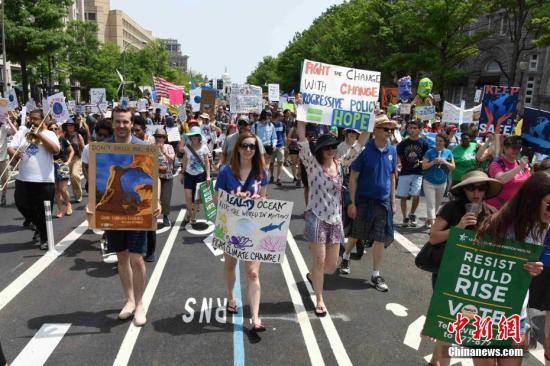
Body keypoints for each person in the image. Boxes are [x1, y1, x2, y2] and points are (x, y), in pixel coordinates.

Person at [85, 106, 161, 327]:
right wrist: (91, 205)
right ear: (113, 122)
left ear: (131, 123)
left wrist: (155, 200)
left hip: (138, 212)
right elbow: (94, 179)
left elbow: (152, 176)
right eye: (117, 121)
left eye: (125, 122)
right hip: (114, 212)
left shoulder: (144, 147)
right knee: (121, 257)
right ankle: (129, 300)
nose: (121, 125)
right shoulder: (101, 148)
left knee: (137, 258)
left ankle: (139, 304)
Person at [424, 170, 503, 366]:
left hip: (474, 278)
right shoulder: (451, 208)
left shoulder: (491, 212)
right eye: (471, 188)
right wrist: (458, 228)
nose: (476, 193)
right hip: (448, 272)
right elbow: (433, 237)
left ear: (486, 191)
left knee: (457, 324)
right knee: (448, 323)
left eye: (481, 188)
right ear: (464, 190)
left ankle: (435, 361)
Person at [474, 171, 548, 366]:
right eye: (549, 205)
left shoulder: (542, 226)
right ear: (533, 199)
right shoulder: (497, 224)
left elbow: (527, 269)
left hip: (516, 312)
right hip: (485, 311)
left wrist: (534, 270)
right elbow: (473, 262)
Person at [297, 121, 368, 316]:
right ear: (319, 150)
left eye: (333, 147)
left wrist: (370, 120)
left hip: (335, 219)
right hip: (316, 217)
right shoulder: (312, 165)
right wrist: (301, 115)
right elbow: (302, 140)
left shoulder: (341, 164)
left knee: (331, 265)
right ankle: (319, 298)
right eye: (326, 147)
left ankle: (313, 276)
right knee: (319, 261)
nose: (330, 150)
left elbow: (359, 145)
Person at [214, 132, 268, 332]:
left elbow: (264, 199)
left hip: (254, 228)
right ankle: (231, 297)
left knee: (253, 272)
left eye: (252, 146)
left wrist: (259, 201)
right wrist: (235, 198)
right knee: (230, 264)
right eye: (244, 146)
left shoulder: (262, 172)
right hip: (232, 227)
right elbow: (216, 200)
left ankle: (255, 317)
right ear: (237, 148)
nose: (248, 150)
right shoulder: (226, 172)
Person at [340, 113, 397, 291]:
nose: (389, 132)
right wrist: (352, 203)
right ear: (375, 130)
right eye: (385, 129)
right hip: (363, 200)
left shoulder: (392, 151)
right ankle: (346, 255)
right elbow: (353, 178)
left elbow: (392, 176)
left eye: (391, 129)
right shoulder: (364, 151)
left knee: (380, 238)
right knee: (357, 234)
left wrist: (393, 201)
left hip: (382, 202)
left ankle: (375, 274)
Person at [7, 109, 60, 250]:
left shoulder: (50, 134)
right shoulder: (23, 132)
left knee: (44, 212)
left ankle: (45, 238)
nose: (32, 121)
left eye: (36, 119)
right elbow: (10, 148)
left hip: (44, 181)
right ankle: (35, 224)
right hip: (23, 178)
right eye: (31, 119)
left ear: (44, 120)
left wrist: (40, 136)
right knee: (20, 203)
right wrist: (14, 152)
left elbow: (55, 150)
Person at [396, 120, 429, 227]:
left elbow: (427, 158)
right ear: (407, 129)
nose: (412, 130)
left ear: (419, 129)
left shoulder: (424, 143)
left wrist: (421, 162)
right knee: (403, 196)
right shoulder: (402, 144)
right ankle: (405, 217)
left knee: (416, 194)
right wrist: (399, 164)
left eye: (415, 128)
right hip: (404, 172)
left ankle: (412, 214)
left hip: (418, 173)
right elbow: (398, 157)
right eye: (410, 127)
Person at [486, 135, 531, 210]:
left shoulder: (521, 164)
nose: (516, 151)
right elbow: (500, 179)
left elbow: (529, 182)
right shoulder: (496, 164)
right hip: (497, 207)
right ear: (504, 148)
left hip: (515, 205)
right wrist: (519, 167)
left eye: (518, 148)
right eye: (513, 148)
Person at [422, 133, 455, 228]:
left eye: (440, 141)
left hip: (442, 183)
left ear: (444, 142)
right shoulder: (429, 152)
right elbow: (424, 166)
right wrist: (433, 162)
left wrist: (444, 162)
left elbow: (453, 167)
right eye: (437, 141)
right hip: (429, 182)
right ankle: (433, 226)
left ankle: (429, 219)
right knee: (431, 203)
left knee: (437, 204)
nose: (438, 143)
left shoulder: (448, 152)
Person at [181, 126, 210, 225]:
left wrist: (208, 176)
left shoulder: (204, 147)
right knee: (188, 197)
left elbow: (207, 162)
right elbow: (185, 160)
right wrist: (182, 173)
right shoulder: (187, 147)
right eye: (192, 136)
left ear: (199, 137)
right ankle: (189, 212)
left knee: (197, 198)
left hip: (200, 175)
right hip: (188, 174)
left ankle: (193, 215)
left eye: (196, 135)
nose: (194, 137)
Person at [49, 121, 74, 218]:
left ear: (58, 129)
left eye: (55, 128)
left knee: (63, 189)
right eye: (51, 129)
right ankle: (60, 209)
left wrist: (68, 161)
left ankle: (68, 204)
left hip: (62, 164)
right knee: (56, 189)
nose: (53, 130)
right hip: (51, 165)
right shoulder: (46, 141)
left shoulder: (62, 139)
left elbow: (71, 151)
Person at [154, 128, 175, 227]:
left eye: (162, 137)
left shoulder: (169, 147)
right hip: (155, 177)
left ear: (165, 138)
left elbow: (171, 160)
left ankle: (165, 217)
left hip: (167, 176)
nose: (160, 139)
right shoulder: (151, 146)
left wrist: (163, 151)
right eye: (158, 137)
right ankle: (153, 217)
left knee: (166, 198)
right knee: (153, 199)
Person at [63, 118, 85, 203]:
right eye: (69, 125)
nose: (70, 127)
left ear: (74, 126)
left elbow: (83, 148)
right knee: (68, 179)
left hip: (77, 158)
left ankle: (79, 194)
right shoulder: (64, 136)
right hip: (67, 159)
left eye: (72, 125)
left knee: (75, 175)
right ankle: (72, 195)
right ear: (66, 126)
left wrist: (86, 160)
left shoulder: (78, 136)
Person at [0, 112, 17, 206]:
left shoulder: (4, 127)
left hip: (3, 158)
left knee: (4, 180)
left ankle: (3, 195)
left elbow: (15, 132)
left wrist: (9, 120)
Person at [270, 111, 286, 186]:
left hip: (280, 146)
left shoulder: (283, 124)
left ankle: (278, 178)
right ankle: (271, 176)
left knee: (280, 162)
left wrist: (285, 145)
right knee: (271, 162)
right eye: (281, 116)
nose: (283, 117)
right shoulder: (270, 124)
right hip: (272, 146)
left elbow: (284, 136)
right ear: (277, 116)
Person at [287, 122, 301, 187]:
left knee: (300, 163)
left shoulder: (302, 129)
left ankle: (298, 177)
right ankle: (294, 177)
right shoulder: (292, 129)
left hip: (301, 148)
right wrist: (294, 140)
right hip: (293, 147)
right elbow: (288, 138)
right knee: (294, 163)